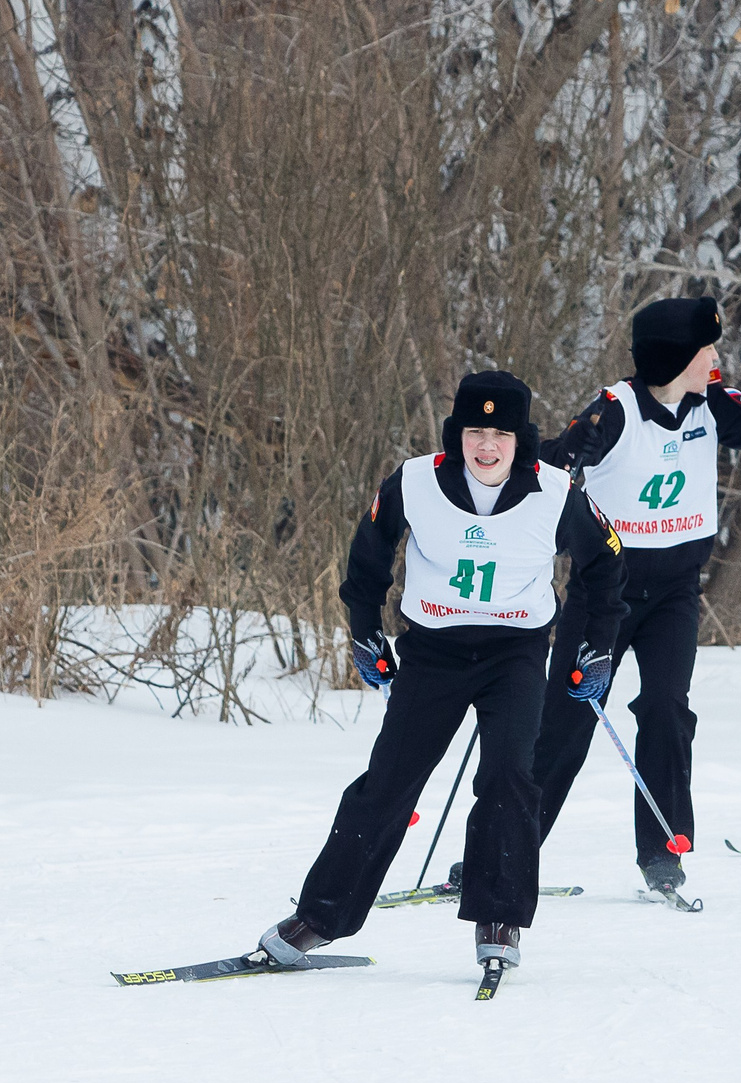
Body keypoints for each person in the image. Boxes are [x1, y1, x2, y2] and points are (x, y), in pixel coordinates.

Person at [255, 371, 624, 977]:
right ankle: (320, 917)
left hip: (516, 654)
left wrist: (597, 648)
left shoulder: (557, 493)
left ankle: (498, 917)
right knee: (389, 783)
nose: (486, 447)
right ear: (458, 434)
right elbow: (367, 556)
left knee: (509, 777)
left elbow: (607, 570)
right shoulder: (416, 481)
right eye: (475, 432)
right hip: (433, 652)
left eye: (500, 434)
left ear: (520, 439)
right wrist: (364, 627)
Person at [529, 296, 741, 895]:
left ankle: (662, 853)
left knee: (666, 710)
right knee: (567, 720)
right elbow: (549, 469)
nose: (715, 357)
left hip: (676, 593)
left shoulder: (709, 402)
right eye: (705, 348)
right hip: (605, 592)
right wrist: (571, 451)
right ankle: (509, 847)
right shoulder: (619, 409)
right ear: (673, 357)